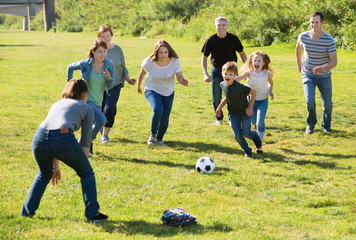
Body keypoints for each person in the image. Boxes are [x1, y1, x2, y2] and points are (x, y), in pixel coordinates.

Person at [21, 79, 108, 222]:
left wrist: (55, 166)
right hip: (62, 138)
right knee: (87, 173)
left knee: (43, 175)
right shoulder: (87, 108)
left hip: (39, 138)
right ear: (85, 93)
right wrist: (83, 166)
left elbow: (52, 136)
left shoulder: (57, 104)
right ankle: (92, 214)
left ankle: (26, 212)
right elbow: (85, 142)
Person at [67, 39, 114, 155]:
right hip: (86, 100)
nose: (102, 54)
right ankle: (84, 144)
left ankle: (85, 146)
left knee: (90, 125)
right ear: (93, 51)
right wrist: (70, 84)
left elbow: (111, 84)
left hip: (99, 100)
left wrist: (109, 78)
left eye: (104, 51)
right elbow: (70, 67)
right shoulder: (86, 64)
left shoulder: (109, 64)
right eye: (99, 51)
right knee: (102, 120)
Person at [137, 40, 188, 147]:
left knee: (165, 117)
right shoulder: (149, 61)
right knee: (158, 109)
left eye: (166, 52)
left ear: (169, 51)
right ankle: (152, 136)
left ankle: (159, 139)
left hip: (168, 91)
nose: (164, 54)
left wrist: (183, 81)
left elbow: (179, 76)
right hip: (151, 89)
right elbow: (142, 73)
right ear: (156, 52)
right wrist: (139, 86)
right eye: (161, 52)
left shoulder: (175, 60)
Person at [296, 11, 337, 134]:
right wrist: (299, 64)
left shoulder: (329, 40)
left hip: (324, 76)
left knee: (328, 105)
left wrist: (322, 68)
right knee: (310, 101)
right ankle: (311, 124)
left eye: (316, 22)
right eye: (312, 22)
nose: (314, 25)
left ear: (322, 23)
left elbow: (334, 61)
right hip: (308, 73)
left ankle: (326, 125)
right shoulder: (303, 36)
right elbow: (298, 46)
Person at [201, 16, 247, 125]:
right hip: (217, 71)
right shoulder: (211, 40)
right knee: (216, 98)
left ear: (227, 26)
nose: (221, 27)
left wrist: (246, 71)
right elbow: (204, 58)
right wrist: (205, 74)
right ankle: (219, 118)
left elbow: (242, 55)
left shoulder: (233, 38)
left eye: (223, 25)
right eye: (219, 25)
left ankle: (233, 119)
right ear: (215, 27)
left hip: (232, 72)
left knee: (233, 96)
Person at [97, 25, 136, 144]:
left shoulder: (118, 49)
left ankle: (105, 135)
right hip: (99, 84)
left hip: (116, 83)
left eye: (108, 36)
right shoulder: (96, 49)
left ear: (111, 36)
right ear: (99, 37)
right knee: (100, 109)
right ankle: (100, 126)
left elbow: (123, 66)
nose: (106, 38)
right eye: (103, 36)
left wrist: (128, 79)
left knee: (110, 108)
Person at [216, 62, 262, 158]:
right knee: (237, 135)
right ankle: (247, 151)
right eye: (225, 74)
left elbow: (253, 92)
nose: (227, 76)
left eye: (230, 74)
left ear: (235, 75)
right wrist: (219, 108)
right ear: (222, 74)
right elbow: (227, 97)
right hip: (233, 115)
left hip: (244, 113)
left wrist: (250, 107)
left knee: (246, 133)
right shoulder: (222, 84)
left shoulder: (239, 87)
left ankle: (256, 138)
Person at [234, 51, 274, 152]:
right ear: (252, 62)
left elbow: (270, 82)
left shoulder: (267, 74)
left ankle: (259, 145)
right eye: (254, 60)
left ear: (263, 63)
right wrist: (232, 80)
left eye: (259, 61)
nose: (256, 62)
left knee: (260, 122)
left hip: (263, 100)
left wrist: (270, 90)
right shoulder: (249, 72)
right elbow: (240, 77)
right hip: (250, 100)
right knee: (253, 121)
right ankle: (255, 128)